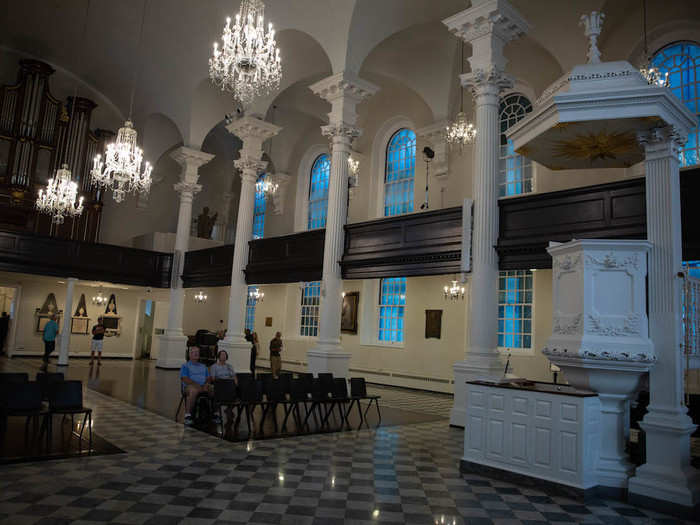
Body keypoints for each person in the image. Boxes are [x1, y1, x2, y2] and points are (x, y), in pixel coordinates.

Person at [179, 346, 212, 426]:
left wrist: (206, 384)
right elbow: (184, 378)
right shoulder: (185, 366)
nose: (197, 353)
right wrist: (197, 385)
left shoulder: (203, 366)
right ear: (190, 355)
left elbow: (208, 378)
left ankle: (214, 413)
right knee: (193, 390)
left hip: (203, 386)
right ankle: (188, 415)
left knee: (214, 389)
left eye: (197, 352)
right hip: (189, 386)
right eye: (194, 352)